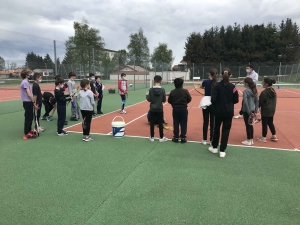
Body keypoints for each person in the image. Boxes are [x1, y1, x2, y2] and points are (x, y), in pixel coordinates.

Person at [209, 68, 239, 158]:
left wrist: (218, 103)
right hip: (228, 112)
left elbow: (213, 99)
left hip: (218, 111)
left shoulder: (217, 86)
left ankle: (214, 147)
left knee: (216, 128)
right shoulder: (233, 87)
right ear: (230, 76)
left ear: (221, 75)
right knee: (226, 130)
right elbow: (236, 100)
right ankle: (222, 150)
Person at [167, 77, 192, 143]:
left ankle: (176, 137)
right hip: (183, 109)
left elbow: (169, 101)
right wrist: (184, 103)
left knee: (176, 123)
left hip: (175, 109)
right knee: (183, 123)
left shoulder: (172, 92)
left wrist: (174, 103)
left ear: (174, 84)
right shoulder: (185, 91)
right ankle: (183, 137)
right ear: (182, 84)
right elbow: (189, 99)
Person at [146, 75, 168, 142]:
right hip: (160, 108)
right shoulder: (162, 90)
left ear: (154, 81)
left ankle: (152, 137)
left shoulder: (151, 90)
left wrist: (147, 96)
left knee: (152, 123)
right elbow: (164, 100)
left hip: (152, 108)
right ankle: (161, 137)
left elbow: (149, 99)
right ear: (160, 81)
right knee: (160, 123)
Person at [257, 77, 278, 142]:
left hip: (266, 109)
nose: (262, 83)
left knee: (264, 123)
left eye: (263, 82)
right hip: (272, 109)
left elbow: (260, 102)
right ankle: (274, 135)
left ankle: (263, 137)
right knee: (270, 122)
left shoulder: (264, 92)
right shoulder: (273, 91)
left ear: (266, 84)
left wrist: (256, 108)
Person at [200, 68, 218, 145]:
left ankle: (204, 139)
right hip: (214, 103)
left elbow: (201, 86)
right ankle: (211, 140)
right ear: (216, 75)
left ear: (209, 74)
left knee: (205, 122)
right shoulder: (217, 83)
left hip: (206, 103)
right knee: (213, 123)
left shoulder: (205, 81)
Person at [241, 77, 259, 145]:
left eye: (244, 83)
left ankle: (249, 140)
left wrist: (248, 111)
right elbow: (257, 101)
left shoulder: (246, 91)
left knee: (248, 125)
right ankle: (251, 140)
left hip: (247, 111)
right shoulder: (254, 90)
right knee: (251, 125)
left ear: (246, 83)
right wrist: (256, 110)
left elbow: (245, 102)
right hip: (253, 109)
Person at [20, 69, 36, 140]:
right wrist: (33, 101)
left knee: (30, 117)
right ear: (26, 75)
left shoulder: (26, 82)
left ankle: (29, 130)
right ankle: (26, 133)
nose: (31, 75)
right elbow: (29, 94)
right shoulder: (25, 82)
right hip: (28, 102)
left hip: (27, 101)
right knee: (28, 118)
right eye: (30, 74)